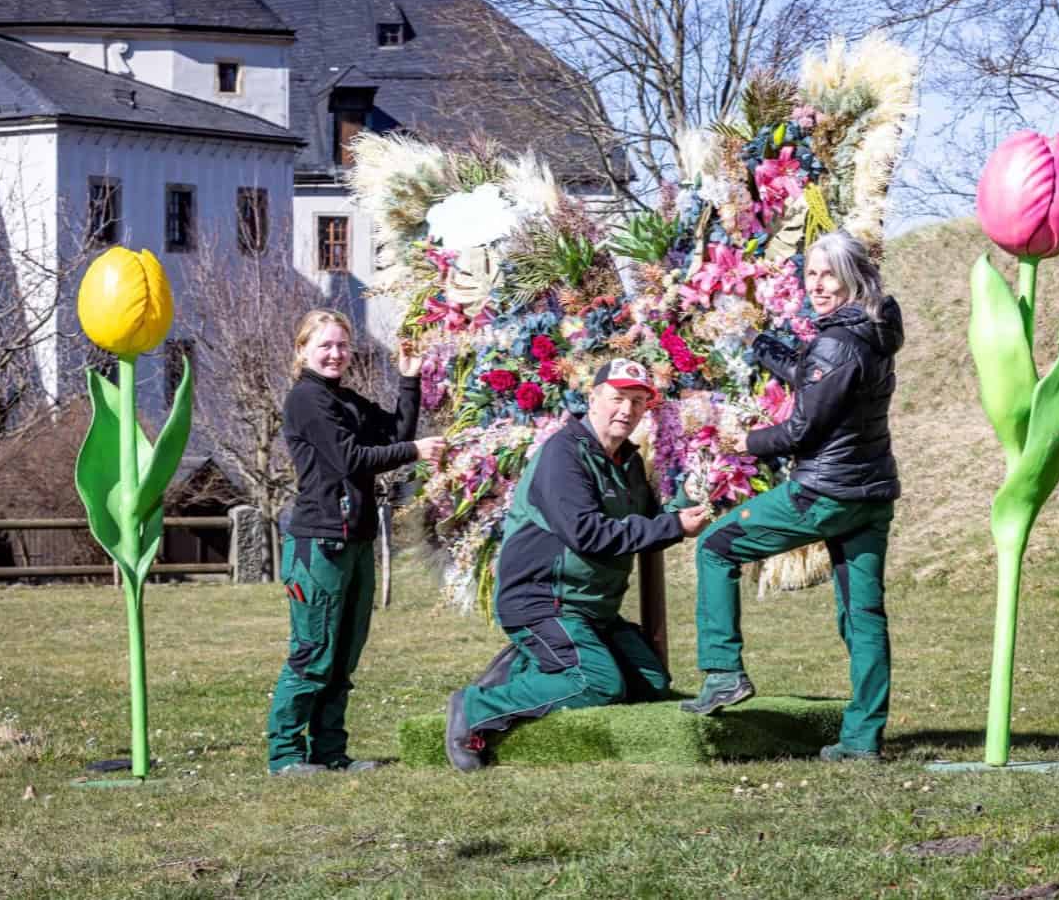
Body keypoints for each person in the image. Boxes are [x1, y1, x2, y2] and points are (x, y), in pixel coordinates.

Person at [679, 230, 904, 762]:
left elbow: (802, 430)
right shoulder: (872, 329)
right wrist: (758, 346)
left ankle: (722, 671)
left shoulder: (838, 341)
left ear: (852, 276)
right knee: (863, 616)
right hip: (871, 493)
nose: (818, 285)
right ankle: (861, 740)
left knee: (715, 546)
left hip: (826, 492)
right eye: (811, 274)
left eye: (828, 274)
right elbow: (817, 377)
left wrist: (745, 442)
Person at [444, 358, 711, 771]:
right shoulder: (563, 455)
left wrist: (695, 496)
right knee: (597, 683)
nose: (627, 410)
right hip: (542, 599)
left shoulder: (628, 460)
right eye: (618, 398)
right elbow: (587, 534)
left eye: (638, 402)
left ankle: (526, 664)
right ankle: (477, 706)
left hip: (593, 608)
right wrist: (672, 526)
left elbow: (650, 520)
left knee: (652, 684)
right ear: (593, 398)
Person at [267, 309, 447, 776]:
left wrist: (409, 380)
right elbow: (349, 459)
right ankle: (285, 755)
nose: (334, 354)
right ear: (303, 349)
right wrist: (413, 453)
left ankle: (329, 752)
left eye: (342, 346)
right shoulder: (307, 399)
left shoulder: (343, 399)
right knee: (313, 653)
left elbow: (394, 433)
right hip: (318, 545)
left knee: (343, 655)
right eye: (325, 345)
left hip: (356, 540)